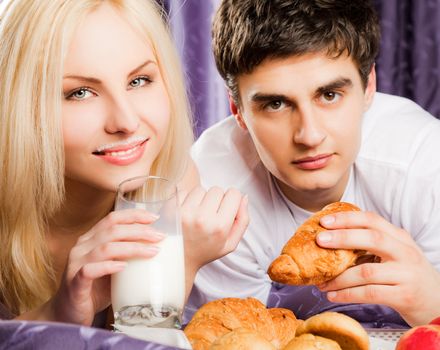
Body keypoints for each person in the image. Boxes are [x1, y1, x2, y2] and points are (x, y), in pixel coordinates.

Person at [187, 0, 440, 328]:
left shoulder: (423, 165)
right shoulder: (214, 194)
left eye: (330, 95)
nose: (309, 135)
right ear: (237, 111)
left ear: (369, 87)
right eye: (276, 104)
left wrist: (433, 304)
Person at [0, 0, 248, 328]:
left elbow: (140, 338)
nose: (127, 122)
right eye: (80, 93)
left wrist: (181, 261)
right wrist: (60, 313)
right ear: (20, 107)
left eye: (139, 81)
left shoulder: (172, 179)